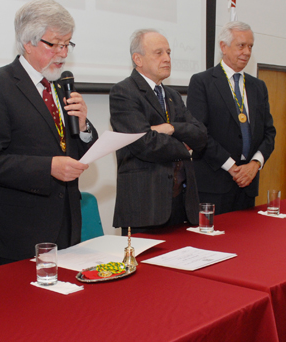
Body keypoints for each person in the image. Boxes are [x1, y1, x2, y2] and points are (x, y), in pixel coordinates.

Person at [0, 0, 97, 266]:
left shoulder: (59, 87)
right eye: (55, 44)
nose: (63, 53)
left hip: (67, 225)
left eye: (67, 44)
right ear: (28, 43)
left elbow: (74, 147)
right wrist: (48, 167)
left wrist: (84, 127)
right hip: (20, 232)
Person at [110, 29, 207, 232]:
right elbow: (146, 144)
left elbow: (200, 135)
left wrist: (171, 128)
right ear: (138, 59)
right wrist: (183, 145)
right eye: (159, 53)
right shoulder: (124, 92)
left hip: (181, 204)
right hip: (146, 206)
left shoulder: (173, 95)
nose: (167, 58)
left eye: (169, 52)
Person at [187, 21, 276, 214]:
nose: (247, 52)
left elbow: (269, 133)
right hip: (214, 183)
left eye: (250, 46)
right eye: (241, 45)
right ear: (223, 47)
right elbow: (199, 134)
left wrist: (255, 164)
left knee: (247, 234)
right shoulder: (202, 82)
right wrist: (232, 167)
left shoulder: (258, 87)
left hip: (248, 184)